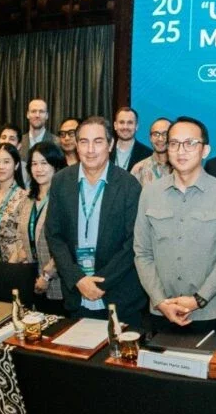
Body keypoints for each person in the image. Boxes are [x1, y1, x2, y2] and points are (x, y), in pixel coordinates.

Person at [135, 116, 216, 334]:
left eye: (190, 144)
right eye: (174, 144)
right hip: (161, 312)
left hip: (210, 313)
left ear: (205, 150)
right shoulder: (150, 192)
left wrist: (199, 300)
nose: (181, 151)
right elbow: (142, 252)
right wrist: (160, 300)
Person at [45, 116, 146, 318]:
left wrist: (101, 281)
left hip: (118, 297)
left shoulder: (129, 185)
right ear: (77, 145)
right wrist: (78, 279)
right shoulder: (60, 181)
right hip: (76, 295)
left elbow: (133, 242)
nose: (90, 150)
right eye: (84, 142)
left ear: (110, 145)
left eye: (98, 141)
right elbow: (54, 235)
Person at [27, 141, 68, 312]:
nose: (39, 169)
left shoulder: (64, 197)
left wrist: (47, 275)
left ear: (56, 165)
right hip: (32, 278)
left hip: (56, 282)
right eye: (34, 164)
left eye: (44, 163)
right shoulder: (28, 199)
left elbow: (67, 243)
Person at [131, 118, 173, 186]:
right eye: (156, 134)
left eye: (165, 134)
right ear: (150, 138)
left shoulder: (179, 168)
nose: (160, 139)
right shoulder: (139, 169)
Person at [111, 106, 151, 173]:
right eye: (121, 122)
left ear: (136, 126)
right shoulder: (105, 152)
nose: (125, 127)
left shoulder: (147, 154)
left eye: (130, 123)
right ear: (115, 125)